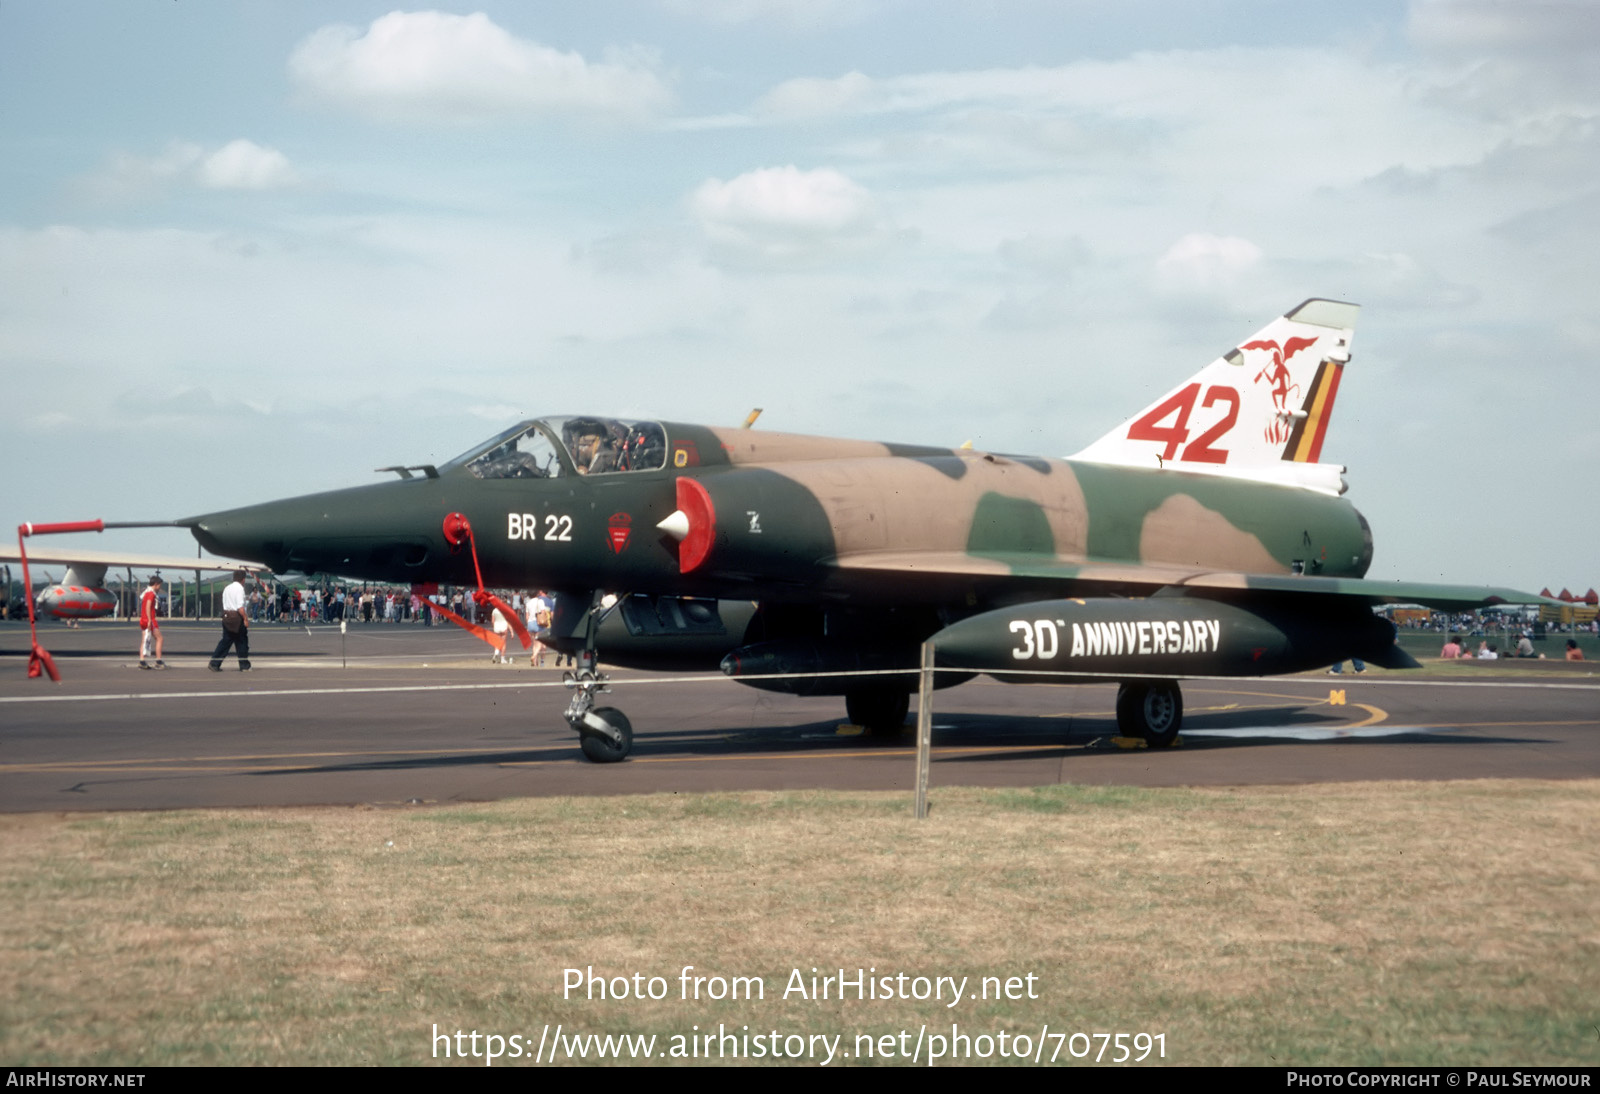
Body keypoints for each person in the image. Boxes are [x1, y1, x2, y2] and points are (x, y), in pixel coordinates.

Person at [209, 569, 251, 671]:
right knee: (241, 642)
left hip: (227, 617)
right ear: (243, 579)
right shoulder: (240, 589)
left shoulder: (227, 588)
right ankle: (244, 665)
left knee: (226, 641)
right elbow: (240, 607)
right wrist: (245, 619)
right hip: (237, 618)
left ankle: (214, 663)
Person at [138, 575, 166, 669]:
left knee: (144, 640)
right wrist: (150, 620)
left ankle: (142, 661)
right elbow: (148, 606)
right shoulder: (151, 593)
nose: (160, 588)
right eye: (159, 586)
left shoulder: (146, 592)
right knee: (159, 639)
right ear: (156, 584)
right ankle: (158, 660)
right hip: (149, 619)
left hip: (143, 619)